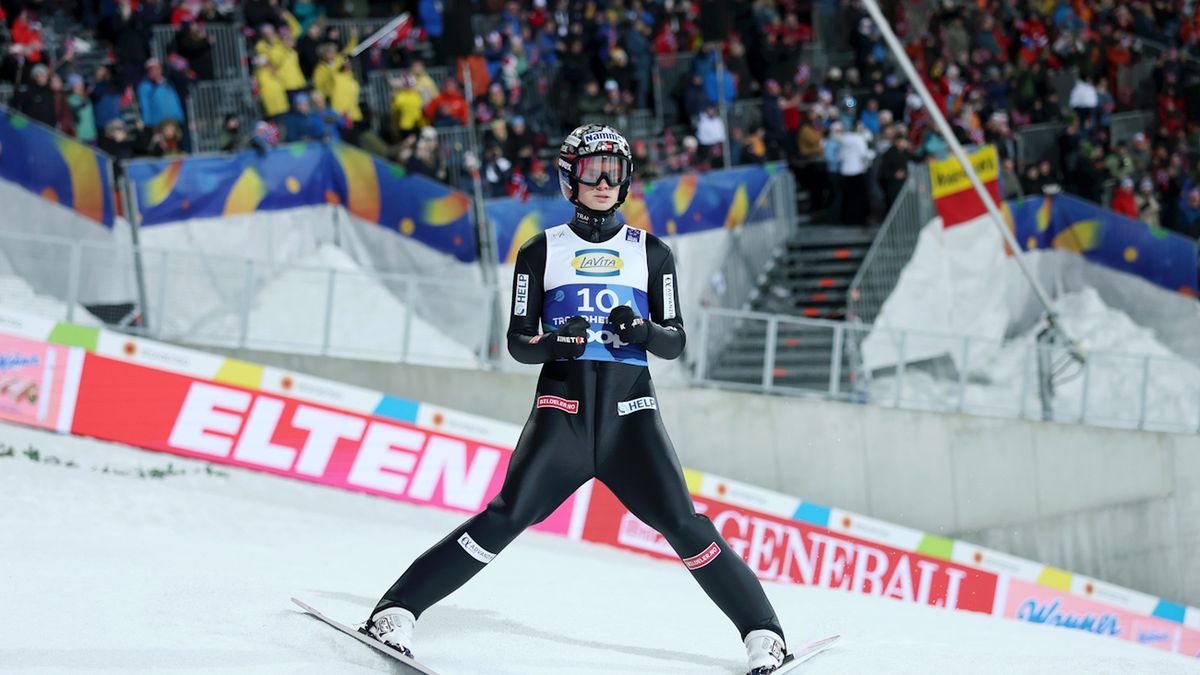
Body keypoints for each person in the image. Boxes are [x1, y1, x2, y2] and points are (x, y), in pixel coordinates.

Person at [361, 124, 792, 675]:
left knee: (685, 525)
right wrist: (551, 343)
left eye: (615, 170)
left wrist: (641, 331)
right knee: (506, 516)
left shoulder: (651, 252)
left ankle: (765, 634)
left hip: (629, 420)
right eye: (593, 170)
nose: (605, 181)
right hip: (562, 415)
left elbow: (675, 339)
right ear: (571, 177)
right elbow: (519, 342)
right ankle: (394, 612)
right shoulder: (540, 251)